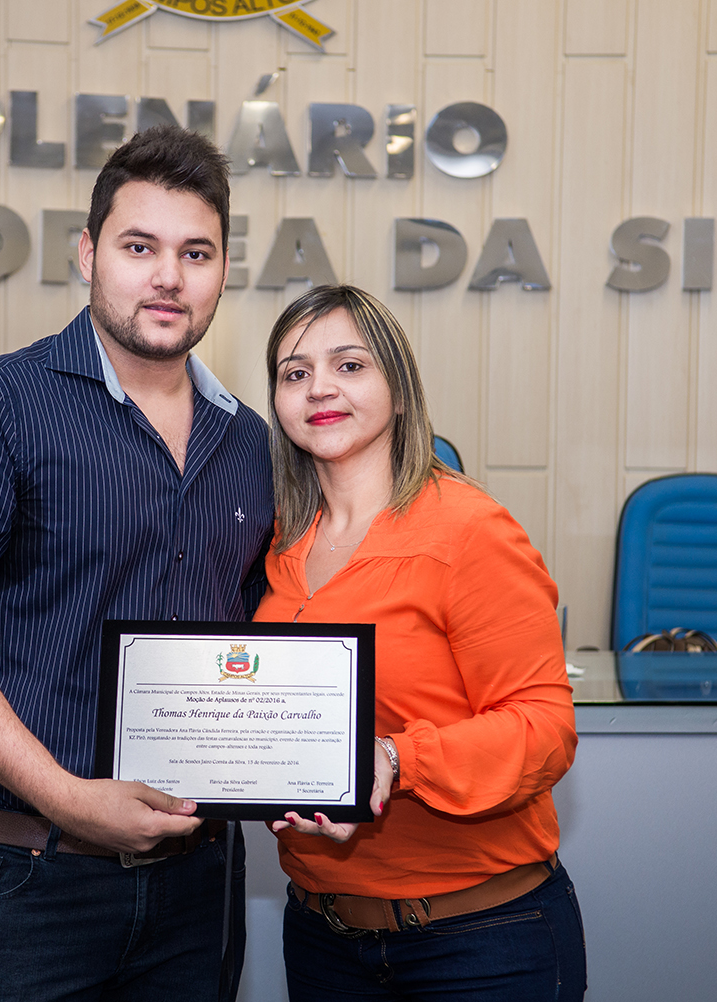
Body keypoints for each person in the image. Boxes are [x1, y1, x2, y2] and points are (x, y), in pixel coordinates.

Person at [0, 125, 273, 1002]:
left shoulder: (249, 441)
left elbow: (259, 640)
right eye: (139, 247)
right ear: (89, 254)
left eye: (195, 253)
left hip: (201, 881)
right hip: (31, 877)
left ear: (222, 271)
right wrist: (64, 795)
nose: (168, 276)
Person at [253, 285, 586, 1001]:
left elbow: (545, 729)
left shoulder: (470, 530)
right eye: (294, 373)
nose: (319, 389)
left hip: (477, 943)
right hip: (321, 937)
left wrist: (396, 758)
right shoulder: (276, 541)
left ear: (399, 392)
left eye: (349, 365)